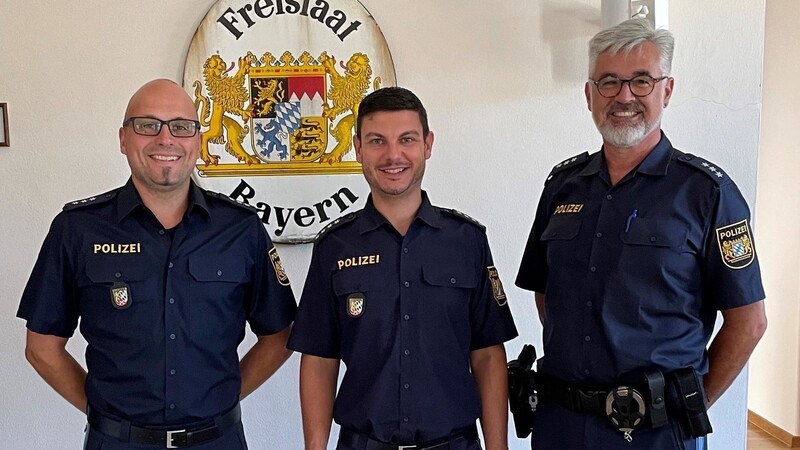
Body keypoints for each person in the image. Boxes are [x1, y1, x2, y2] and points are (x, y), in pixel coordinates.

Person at [515, 19, 767, 450]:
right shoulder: (563, 186)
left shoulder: (708, 193)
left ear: (666, 90)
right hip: (561, 425)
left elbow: (748, 322)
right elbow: (547, 296)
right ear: (589, 95)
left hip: (657, 431)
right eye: (609, 82)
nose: (624, 96)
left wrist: (692, 402)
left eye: (641, 81)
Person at [17, 79, 297, 449]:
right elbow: (41, 347)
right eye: (147, 125)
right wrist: (103, 413)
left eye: (181, 127)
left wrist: (221, 398)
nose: (166, 139)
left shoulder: (240, 228)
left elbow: (280, 334)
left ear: (198, 142)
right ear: (123, 139)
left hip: (217, 441)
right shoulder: (78, 229)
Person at [287, 87, 518, 450]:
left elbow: (488, 354)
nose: (393, 155)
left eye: (406, 139)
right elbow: (318, 358)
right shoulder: (335, 246)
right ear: (359, 148)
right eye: (377, 141)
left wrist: (498, 447)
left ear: (427, 145)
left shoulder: (467, 241)